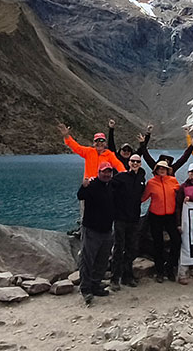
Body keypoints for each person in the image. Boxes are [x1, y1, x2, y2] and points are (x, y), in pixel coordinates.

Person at [77, 161, 117, 305]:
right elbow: (80, 195)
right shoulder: (92, 185)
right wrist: (83, 185)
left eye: (109, 172)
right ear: (98, 172)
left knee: (102, 259)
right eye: (104, 171)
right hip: (91, 229)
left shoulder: (112, 186)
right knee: (88, 259)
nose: (106, 174)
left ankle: (95, 284)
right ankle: (86, 289)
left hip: (107, 230)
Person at [141, 160, 181, 283]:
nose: (162, 170)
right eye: (160, 168)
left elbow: (181, 194)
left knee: (177, 241)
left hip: (170, 216)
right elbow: (143, 198)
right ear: (156, 170)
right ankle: (159, 271)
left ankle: (170, 267)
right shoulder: (151, 183)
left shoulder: (173, 181)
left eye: (164, 168)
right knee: (157, 244)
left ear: (168, 170)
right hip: (155, 216)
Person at [110, 153, 146, 290]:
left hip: (134, 218)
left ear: (140, 164)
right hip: (120, 218)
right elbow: (109, 190)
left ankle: (127, 276)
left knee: (132, 248)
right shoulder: (120, 177)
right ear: (129, 162)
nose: (135, 163)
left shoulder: (141, 178)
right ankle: (114, 278)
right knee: (119, 248)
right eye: (132, 161)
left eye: (137, 161)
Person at [57, 123, 126, 179]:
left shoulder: (110, 155)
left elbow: (118, 165)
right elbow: (76, 147)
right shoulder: (88, 151)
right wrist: (66, 136)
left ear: (105, 143)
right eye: (97, 141)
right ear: (93, 143)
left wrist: (124, 174)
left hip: (103, 184)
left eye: (102, 141)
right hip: (89, 184)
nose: (99, 143)